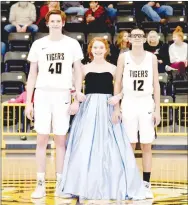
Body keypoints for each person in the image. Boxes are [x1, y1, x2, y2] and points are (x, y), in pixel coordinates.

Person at [58, 37, 147, 201]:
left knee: (110, 146)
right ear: (90, 50)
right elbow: (74, 87)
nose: (98, 50)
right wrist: (76, 96)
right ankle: (81, 184)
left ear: (106, 50)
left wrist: (117, 102)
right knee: (84, 145)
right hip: (89, 108)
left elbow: (124, 88)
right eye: (95, 47)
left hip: (107, 107)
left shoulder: (113, 68)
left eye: (101, 48)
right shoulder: (83, 69)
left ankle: (112, 184)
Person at [26, 10, 84, 199]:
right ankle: (40, 183)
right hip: (43, 94)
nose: (56, 23)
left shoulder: (72, 44)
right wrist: (29, 102)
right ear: (47, 23)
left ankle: (61, 182)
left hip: (63, 95)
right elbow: (32, 75)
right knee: (41, 140)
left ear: (63, 22)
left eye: (58, 20)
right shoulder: (38, 44)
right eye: (52, 21)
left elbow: (78, 72)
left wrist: (76, 98)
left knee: (60, 141)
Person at [113, 28, 161, 199]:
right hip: (129, 102)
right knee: (130, 145)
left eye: (141, 36)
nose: (138, 39)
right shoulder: (123, 57)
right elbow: (117, 82)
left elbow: (156, 83)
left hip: (146, 102)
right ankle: (129, 182)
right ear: (130, 39)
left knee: (147, 145)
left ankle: (146, 184)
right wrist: (117, 107)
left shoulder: (152, 58)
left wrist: (158, 108)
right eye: (135, 36)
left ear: (145, 39)